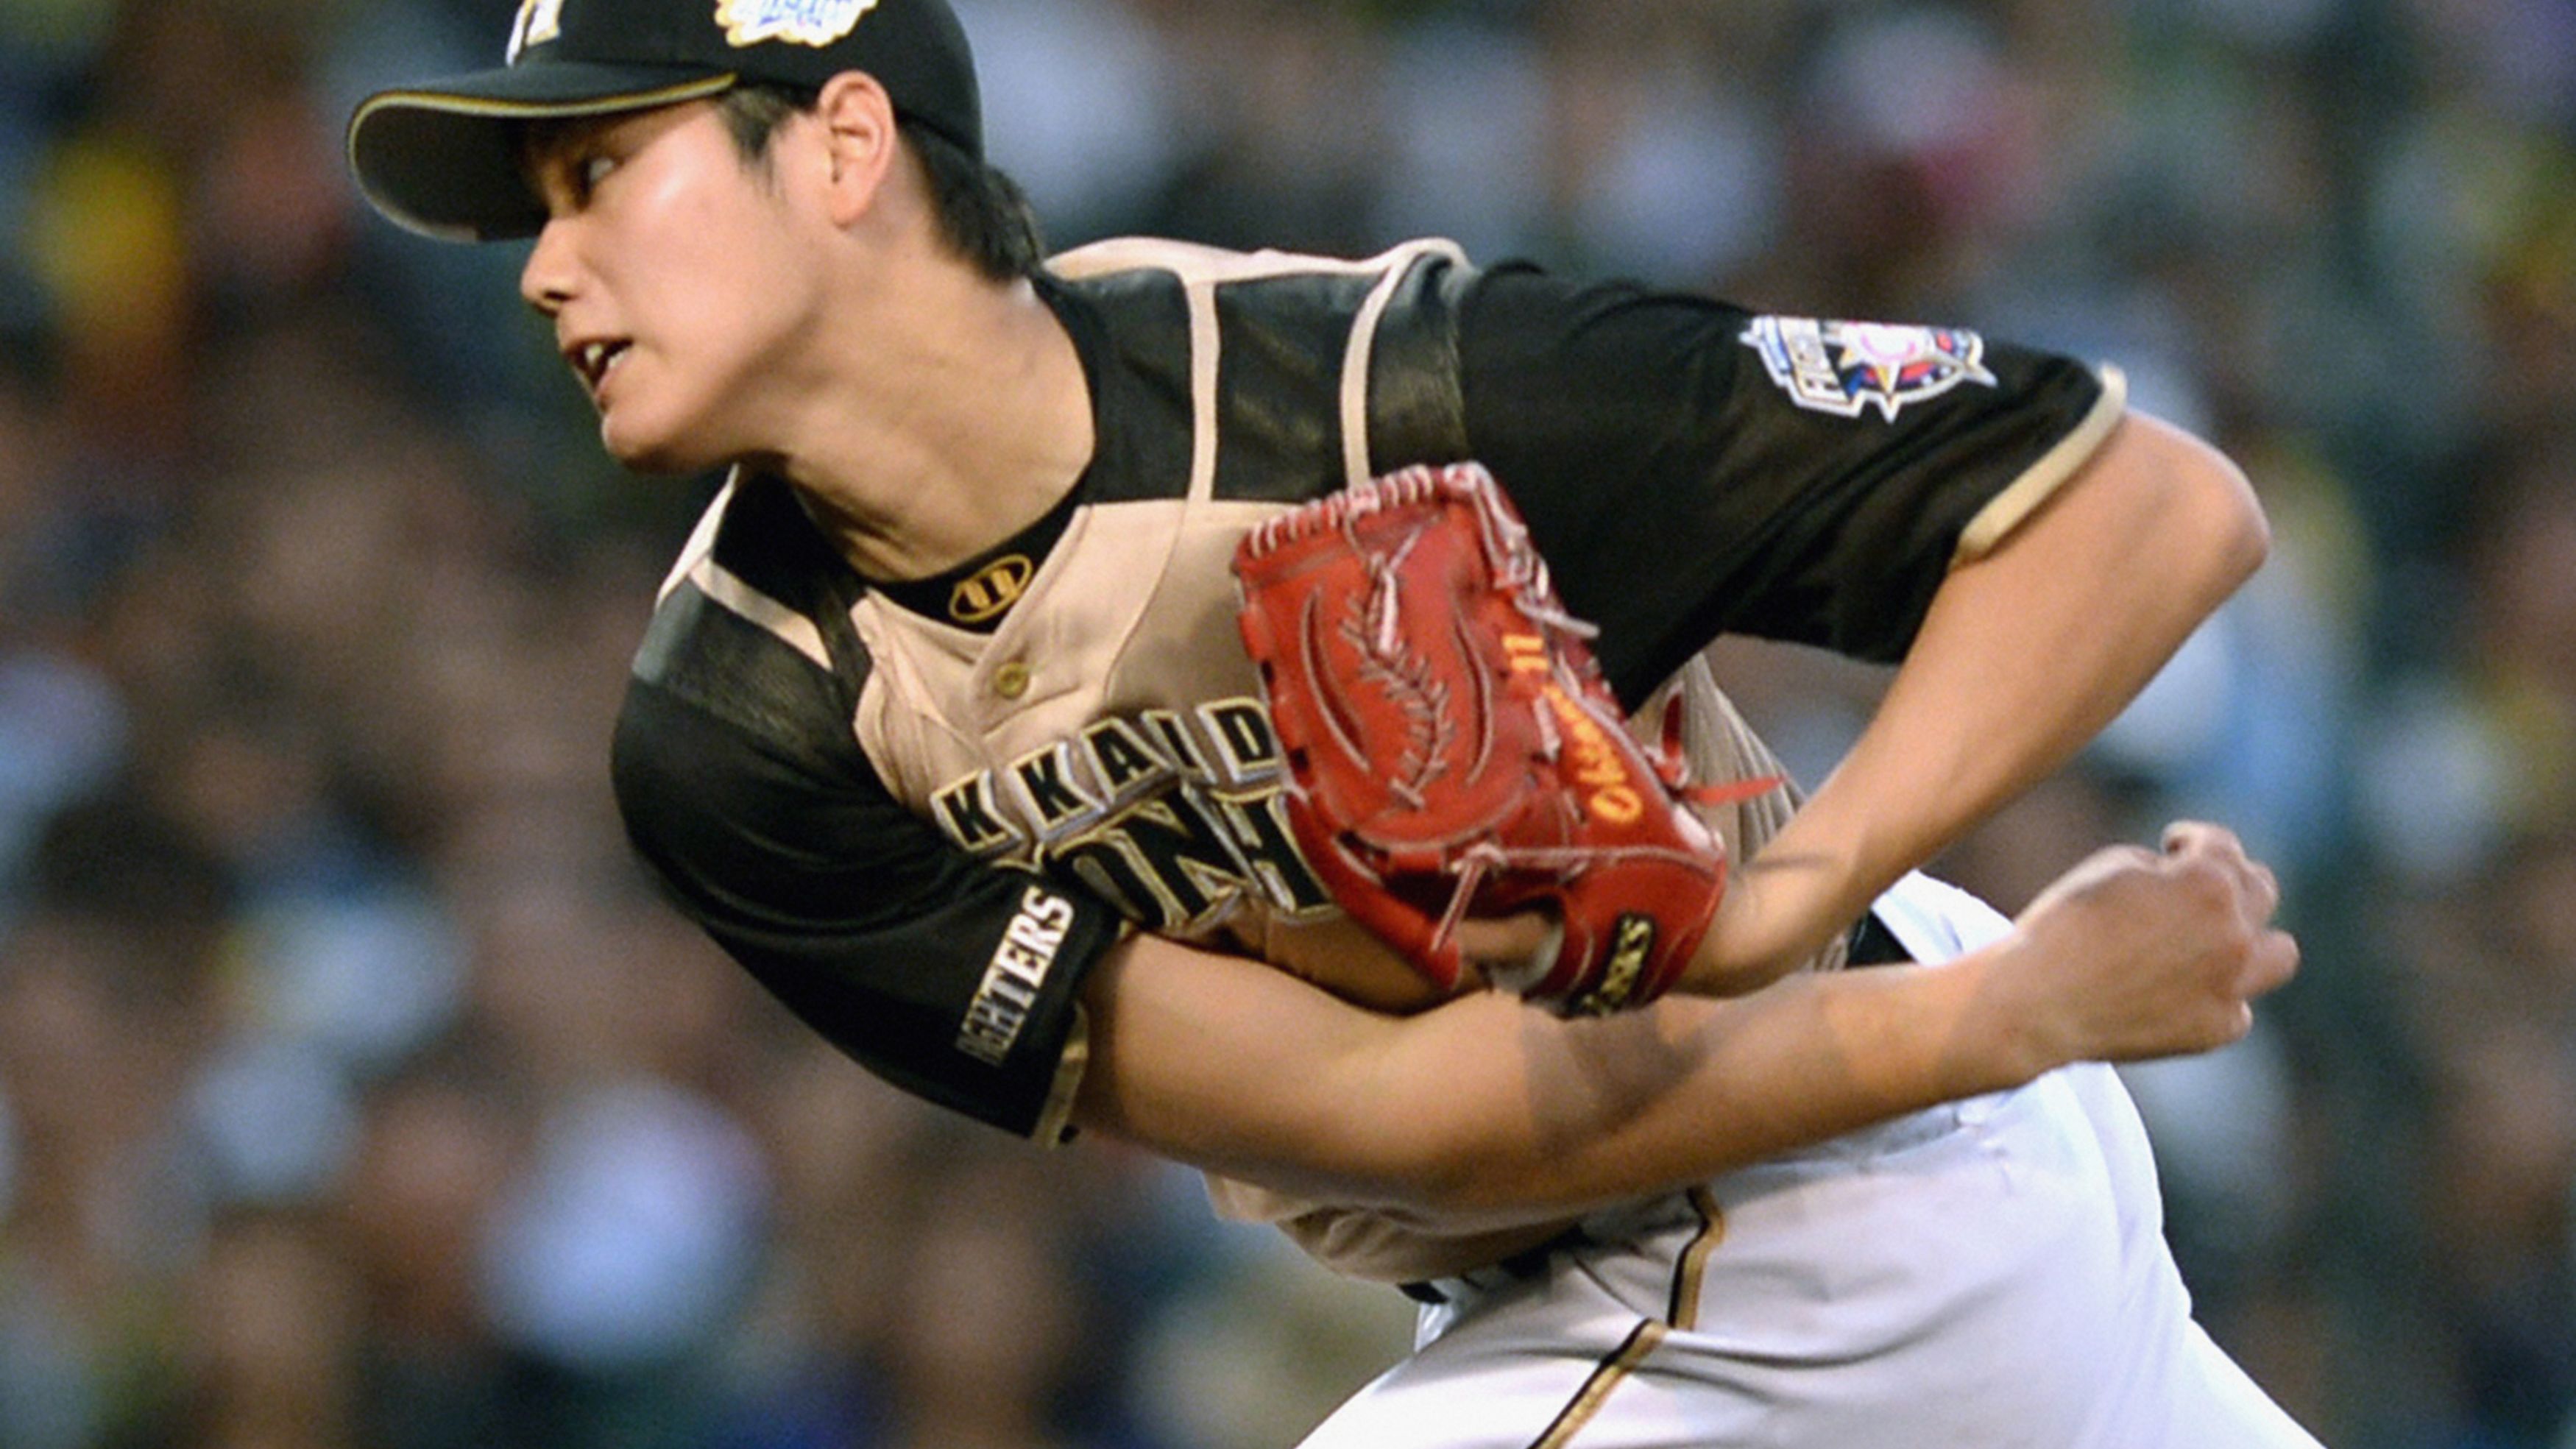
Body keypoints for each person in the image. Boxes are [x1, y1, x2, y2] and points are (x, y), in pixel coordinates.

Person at [344, 1, 2324, 1444]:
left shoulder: (1370, 388)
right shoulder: (737, 737)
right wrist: (1977, 1013)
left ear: (842, 147)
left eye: (601, 171)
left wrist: (1833, 923)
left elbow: (2152, 509)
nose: (542, 267)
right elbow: (1395, 1123)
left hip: (1839, 1197)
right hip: (1709, 1168)